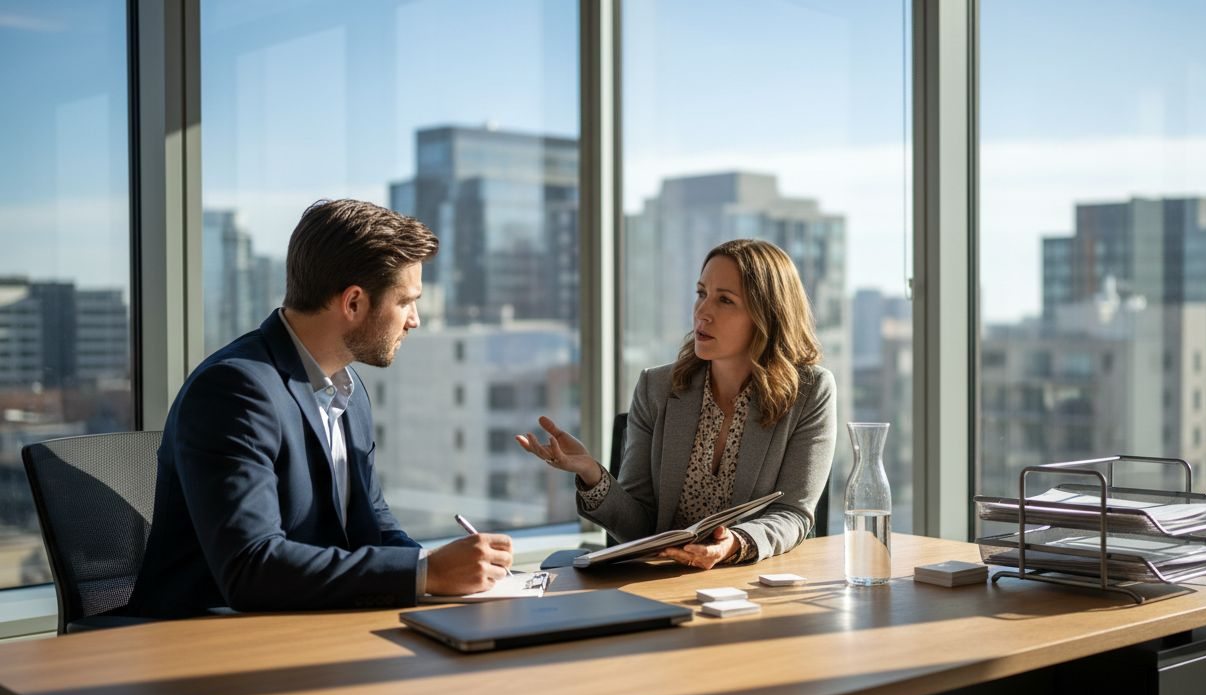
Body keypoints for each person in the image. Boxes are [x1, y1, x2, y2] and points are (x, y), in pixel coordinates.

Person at [129, 199, 512, 618]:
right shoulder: (235, 391)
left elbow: (374, 523)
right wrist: (424, 573)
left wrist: (440, 572)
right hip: (207, 641)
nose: (415, 320)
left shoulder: (349, 389)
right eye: (406, 301)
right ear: (353, 303)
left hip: (308, 625)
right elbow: (250, 568)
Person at [517, 239, 836, 569]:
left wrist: (735, 544)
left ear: (767, 315)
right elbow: (638, 528)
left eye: (725, 300)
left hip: (753, 583)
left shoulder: (811, 392)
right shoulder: (656, 389)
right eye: (701, 293)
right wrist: (592, 473)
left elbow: (794, 514)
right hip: (663, 583)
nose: (702, 311)